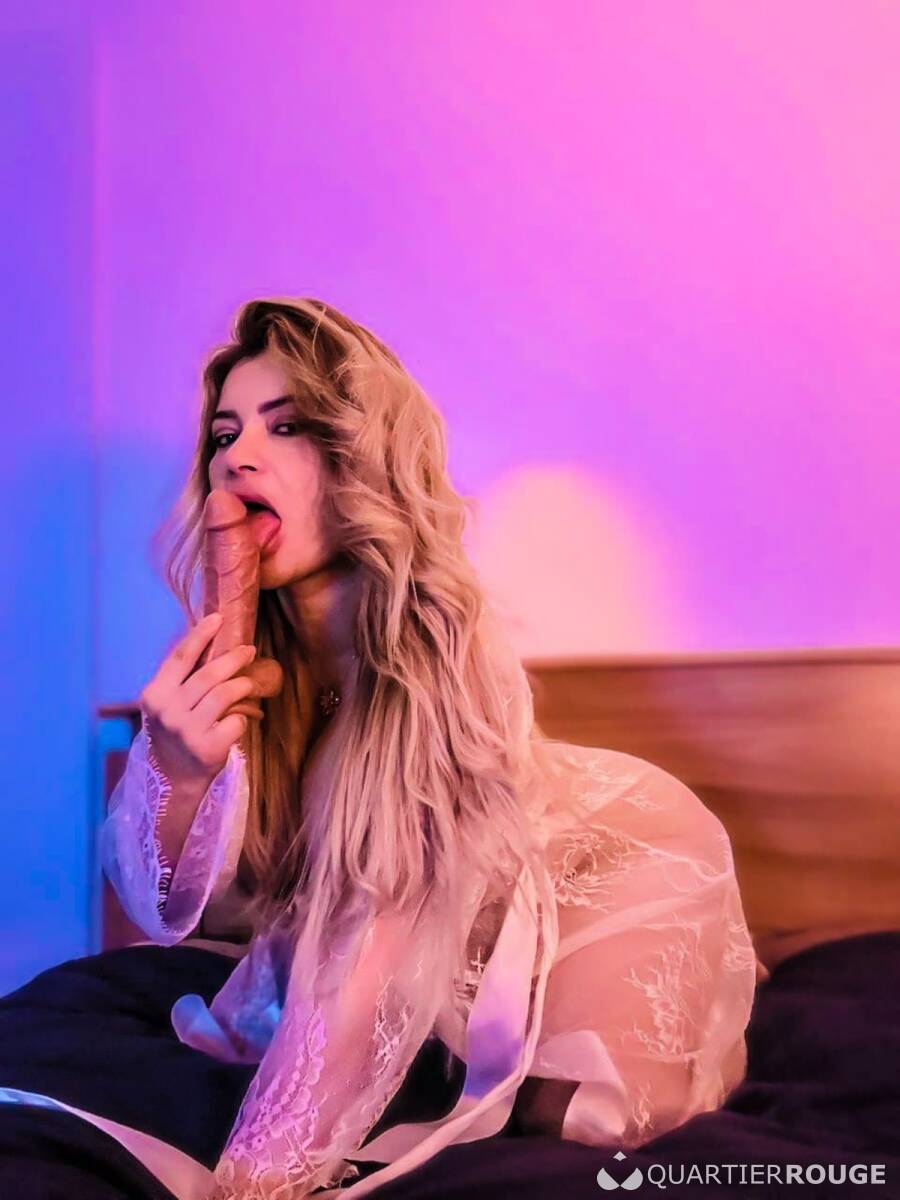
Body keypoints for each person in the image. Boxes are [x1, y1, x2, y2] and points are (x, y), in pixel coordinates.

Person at [96, 297, 760, 1199]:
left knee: (583, 1123)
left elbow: (372, 940)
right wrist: (177, 771)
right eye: (225, 433)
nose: (238, 456)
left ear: (360, 454)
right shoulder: (239, 661)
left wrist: (253, 1183)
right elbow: (162, 904)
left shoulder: (435, 656)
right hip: (407, 921)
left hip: (604, 861)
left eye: (286, 426)